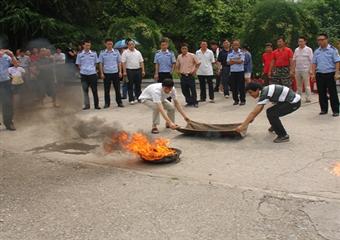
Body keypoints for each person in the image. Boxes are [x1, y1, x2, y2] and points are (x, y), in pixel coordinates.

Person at [236, 83, 301, 143]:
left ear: (257, 90)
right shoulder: (265, 90)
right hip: (289, 101)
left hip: (294, 103)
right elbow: (259, 109)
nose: (251, 95)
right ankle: (275, 126)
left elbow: (255, 111)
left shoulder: (265, 93)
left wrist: (243, 126)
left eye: (251, 92)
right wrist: (251, 118)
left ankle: (283, 135)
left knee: (272, 113)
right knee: (271, 111)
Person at [312, 33, 340, 117]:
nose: (320, 42)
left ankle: (336, 110)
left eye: (322, 40)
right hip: (320, 74)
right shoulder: (317, 51)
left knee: (333, 92)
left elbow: (337, 62)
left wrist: (337, 73)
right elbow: (314, 63)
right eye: (318, 40)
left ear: (326, 40)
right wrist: (313, 73)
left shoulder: (333, 50)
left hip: (330, 73)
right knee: (321, 92)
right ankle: (324, 109)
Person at [99, 38, 124, 108]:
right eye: (108, 44)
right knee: (106, 89)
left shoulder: (116, 52)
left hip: (115, 72)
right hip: (106, 73)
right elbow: (101, 63)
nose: (110, 45)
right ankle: (107, 103)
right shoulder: (102, 52)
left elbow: (119, 62)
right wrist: (101, 73)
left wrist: (120, 72)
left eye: (111, 44)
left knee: (117, 88)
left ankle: (119, 102)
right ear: (105, 44)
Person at [76, 40, 100, 110]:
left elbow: (96, 63)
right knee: (85, 90)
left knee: (94, 90)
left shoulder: (94, 53)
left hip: (92, 74)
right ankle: (87, 105)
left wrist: (92, 69)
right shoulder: (80, 54)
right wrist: (83, 70)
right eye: (86, 45)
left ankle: (96, 105)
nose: (88, 47)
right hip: (84, 74)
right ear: (83, 45)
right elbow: (78, 64)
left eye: (89, 45)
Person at [176, 43, 200, 108]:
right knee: (184, 90)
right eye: (183, 48)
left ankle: (195, 102)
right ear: (181, 49)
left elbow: (198, 63)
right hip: (183, 76)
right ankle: (189, 102)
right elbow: (177, 66)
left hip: (190, 75)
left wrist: (195, 70)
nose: (184, 50)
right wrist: (178, 72)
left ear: (187, 49)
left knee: (193, 89)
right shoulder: (179, 57)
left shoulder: (192, 55)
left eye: (185, 48)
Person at [121, 39, 145, 105]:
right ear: (128, 45)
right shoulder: (125, 52)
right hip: (129, 71)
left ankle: (139, 98)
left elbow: (141, 62)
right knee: (130, 85)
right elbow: (123, 63)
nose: (131, 45)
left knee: (138, 85)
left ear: (134, 45)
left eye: (132, 44)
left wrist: (143, 70)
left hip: (138, 70)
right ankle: (131, 99)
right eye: (130, 44)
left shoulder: (138, 52)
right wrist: (124, 72)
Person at [292, 36, 313, 103]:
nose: (300, 43)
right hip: (297, 70)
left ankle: (308, 98)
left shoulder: (309, 49)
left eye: (301, 41)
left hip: (306, 70)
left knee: (307, 85)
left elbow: (311, 60)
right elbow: (294, 60)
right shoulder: (296, 50)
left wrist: (311, 70)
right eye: (299, 41)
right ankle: (298, 98)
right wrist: (293, 70)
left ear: (305, 42)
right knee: (298, 86)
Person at [0, 49, 15, 130]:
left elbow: (15, 64)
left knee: (8, 103)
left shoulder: (6, 56)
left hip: (5, 83)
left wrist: (12, 55)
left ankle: (9, 123)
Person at [227, 40, 246, 105]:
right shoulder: (230, 54)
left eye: (237, 45)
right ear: (232, 45)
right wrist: (237, 60)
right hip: (233, 72)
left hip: (240, 71)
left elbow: (241, 61)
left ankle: (242, 100)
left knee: (241, 87)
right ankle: (236, 100)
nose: (236, 46)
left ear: (239, 45)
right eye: (234, 45)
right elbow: (228, 62)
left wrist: (233, 61)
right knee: (233, 87)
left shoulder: (242, 53)